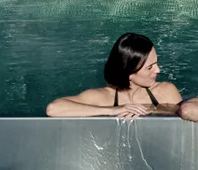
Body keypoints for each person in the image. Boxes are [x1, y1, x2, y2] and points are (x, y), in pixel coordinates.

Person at [46, 32, 181, 118]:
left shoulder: (165, 91)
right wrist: (112, 110)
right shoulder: (104, 97)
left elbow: (186, 114)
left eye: (156, 63)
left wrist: (149, 110)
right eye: (150, 67)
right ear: (129, 73)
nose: (158, 70)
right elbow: (54, 109)